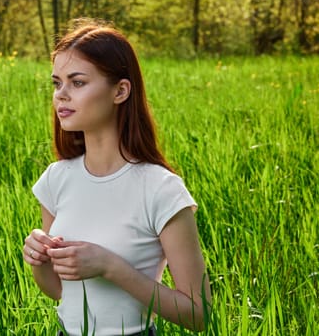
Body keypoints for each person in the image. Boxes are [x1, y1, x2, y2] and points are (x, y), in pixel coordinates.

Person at [23, 19, 212, 336]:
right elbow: (59, 291)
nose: (61, 95)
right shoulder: (56, 179)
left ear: (120, 91)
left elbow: (199, 314)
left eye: (77, 83)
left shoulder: (160, 189)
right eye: (57, 84)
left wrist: (110, 267)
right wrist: (39, 261)